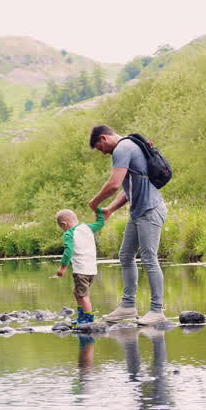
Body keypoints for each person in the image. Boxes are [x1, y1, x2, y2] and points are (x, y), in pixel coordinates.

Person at [87, 125, 169, 326]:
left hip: (150, 210)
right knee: (126, 255)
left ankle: (157, 310)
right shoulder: (130, 146)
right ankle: (128, 307)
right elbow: (129, 187)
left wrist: (95, 202)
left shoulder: (123, 148)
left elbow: (114, 184)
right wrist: (110, 209)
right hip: (138, 212)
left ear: (104, 138)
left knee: (149, 258)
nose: (103, 152)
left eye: (100, 148)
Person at [52, 207, 105, 325]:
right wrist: (99, 211)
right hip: (92, 270)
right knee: (77, 292)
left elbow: (68, 251)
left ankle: (88, 320)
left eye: (61, 227)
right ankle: (82, 316)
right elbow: (100, 223)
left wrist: (62, 268)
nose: (62, 229)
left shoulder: (69, 233)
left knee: (83, 296)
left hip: (81, 271)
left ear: (64, 224)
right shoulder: (87, 227)